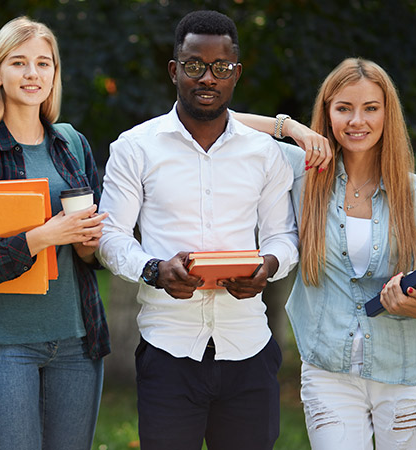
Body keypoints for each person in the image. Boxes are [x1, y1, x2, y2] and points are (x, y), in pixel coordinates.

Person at [97, 10, 299, 450]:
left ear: (236, 74)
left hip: (248, 348)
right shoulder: (135, 148)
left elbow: (284, 237)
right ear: (174, 71)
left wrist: (268, 265)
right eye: (194, 65)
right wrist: (154, 270)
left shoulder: (266, 154)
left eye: (220, 67)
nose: (207, 77)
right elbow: (110, 237)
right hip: (168, 351)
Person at [238, 57, 416, 449]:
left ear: (388, 114)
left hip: (406, 374)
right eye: (344, 108)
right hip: (329, 374)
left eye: (371, 108)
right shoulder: (303, 172)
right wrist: (292, 130)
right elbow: (225, 121)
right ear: (328, 113)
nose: (357, 121)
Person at [0, 16, 110, 450]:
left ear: (55, 73)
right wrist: (40, 237)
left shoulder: (72, 143)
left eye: (43, 63)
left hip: (76, 340)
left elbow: (93, 251)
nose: (32, 74)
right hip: (5, 345)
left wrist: (90, 245)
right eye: (19, 63)